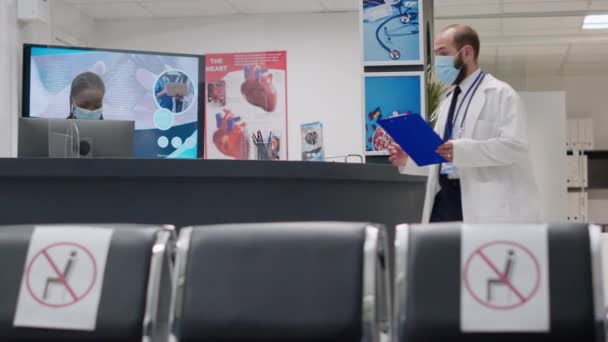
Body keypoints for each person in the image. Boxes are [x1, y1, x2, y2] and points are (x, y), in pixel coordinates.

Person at [388, 24, 540, 223]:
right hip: (443, 201)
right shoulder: (448, 101)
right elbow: (440, 157)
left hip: (483, 205)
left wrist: (462, 150)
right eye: (436, 54)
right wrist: (409, 159)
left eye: (443, 53)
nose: (439, 61)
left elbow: (515, 147)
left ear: (467, 52)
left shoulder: (501, 94)